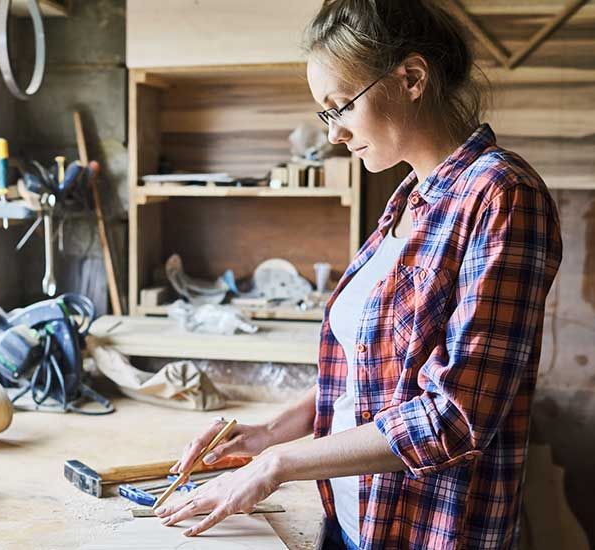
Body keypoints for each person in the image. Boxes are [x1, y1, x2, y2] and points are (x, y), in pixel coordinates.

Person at [154, 1, 564, 548]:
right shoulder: (408, 199)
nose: (335, 135)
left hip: (425, 531)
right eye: (327, 114)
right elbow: (367, 375)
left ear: (412, 78)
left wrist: (277, 464)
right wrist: (270, 434)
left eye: (339, 105)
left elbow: (455, 418)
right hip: (352, 517)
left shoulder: (503, 194)